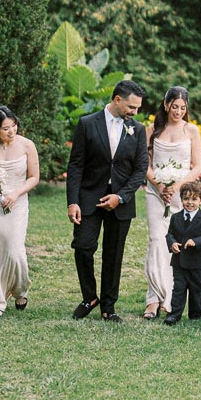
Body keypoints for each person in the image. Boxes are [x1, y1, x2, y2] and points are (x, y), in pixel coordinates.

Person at [66, 79, 149, 322]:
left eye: (137, 109)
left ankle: (108, 307)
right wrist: (73, 201)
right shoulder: (87, 124)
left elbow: (141, 168)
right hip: (89, 198)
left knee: (114, 255)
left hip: (120, 203)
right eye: (131, 107)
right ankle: (89, 297)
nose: (134, 113)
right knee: (82, 246)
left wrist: (121, 197)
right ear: (117, 100)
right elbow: (76, 165)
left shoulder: (138, 129)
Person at [143, 86, 201, 319]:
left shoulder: (192, 131)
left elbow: (197, 166)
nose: (178, 111)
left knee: (173, 244)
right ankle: (152, 299)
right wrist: (159, 185)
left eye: (182, 108)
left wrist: (177, 186)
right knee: (156, 241)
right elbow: (145, 164)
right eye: (174, 106)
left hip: (181, 194)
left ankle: (167, 299)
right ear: (165, 104)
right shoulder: (153, 129)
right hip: (155, 193)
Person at [0, 106, 40, 317]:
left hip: (17, 202)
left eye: (14, 126)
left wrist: (14, 194)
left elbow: (34, 177)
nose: (11, 131)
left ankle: (20, 288)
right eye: (5, 128)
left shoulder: (27, 145)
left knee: (15, 250)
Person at [164, 180, 201, 324]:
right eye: (186, 198)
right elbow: (170, 234)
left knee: (195, 289)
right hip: (179, 261)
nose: (190, 202)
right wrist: (172, 243)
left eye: (194, 199)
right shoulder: (176, 218)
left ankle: (195, 314)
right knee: (178, 288)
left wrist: (196, 241)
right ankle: (174, 314)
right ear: (181, 199)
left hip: (196, 263)